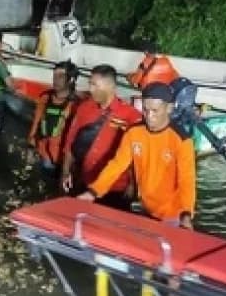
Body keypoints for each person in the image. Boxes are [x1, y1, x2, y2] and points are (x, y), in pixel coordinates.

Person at [78, 83, 196, 228]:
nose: (149, 116)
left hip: (172, 215)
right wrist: (93, 192)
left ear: (169, 108)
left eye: (155, 111)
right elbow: (117, 164)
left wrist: (186, 215)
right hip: (145, 207)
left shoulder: (181, 140)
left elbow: (187, 180)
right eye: (145, 110)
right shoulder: (133, 132)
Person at [61, 64, 142, 211]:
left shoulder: (131, 116)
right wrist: (66, 171)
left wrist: (133, 185)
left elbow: (136, 156)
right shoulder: (84, 108)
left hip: (116, 187)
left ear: (110, 87)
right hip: (85, 180)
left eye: (95, 85)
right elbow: (70, 142)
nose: (91, 89)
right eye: (90, 84)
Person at [28, 60, 80, 172]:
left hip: (63, 160)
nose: (55, 80)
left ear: (71, 80)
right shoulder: (45, 98)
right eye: (55, 75)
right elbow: (36, 123)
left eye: (61, 76)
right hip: (43, 153)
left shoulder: (76, 105)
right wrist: (30, 147)